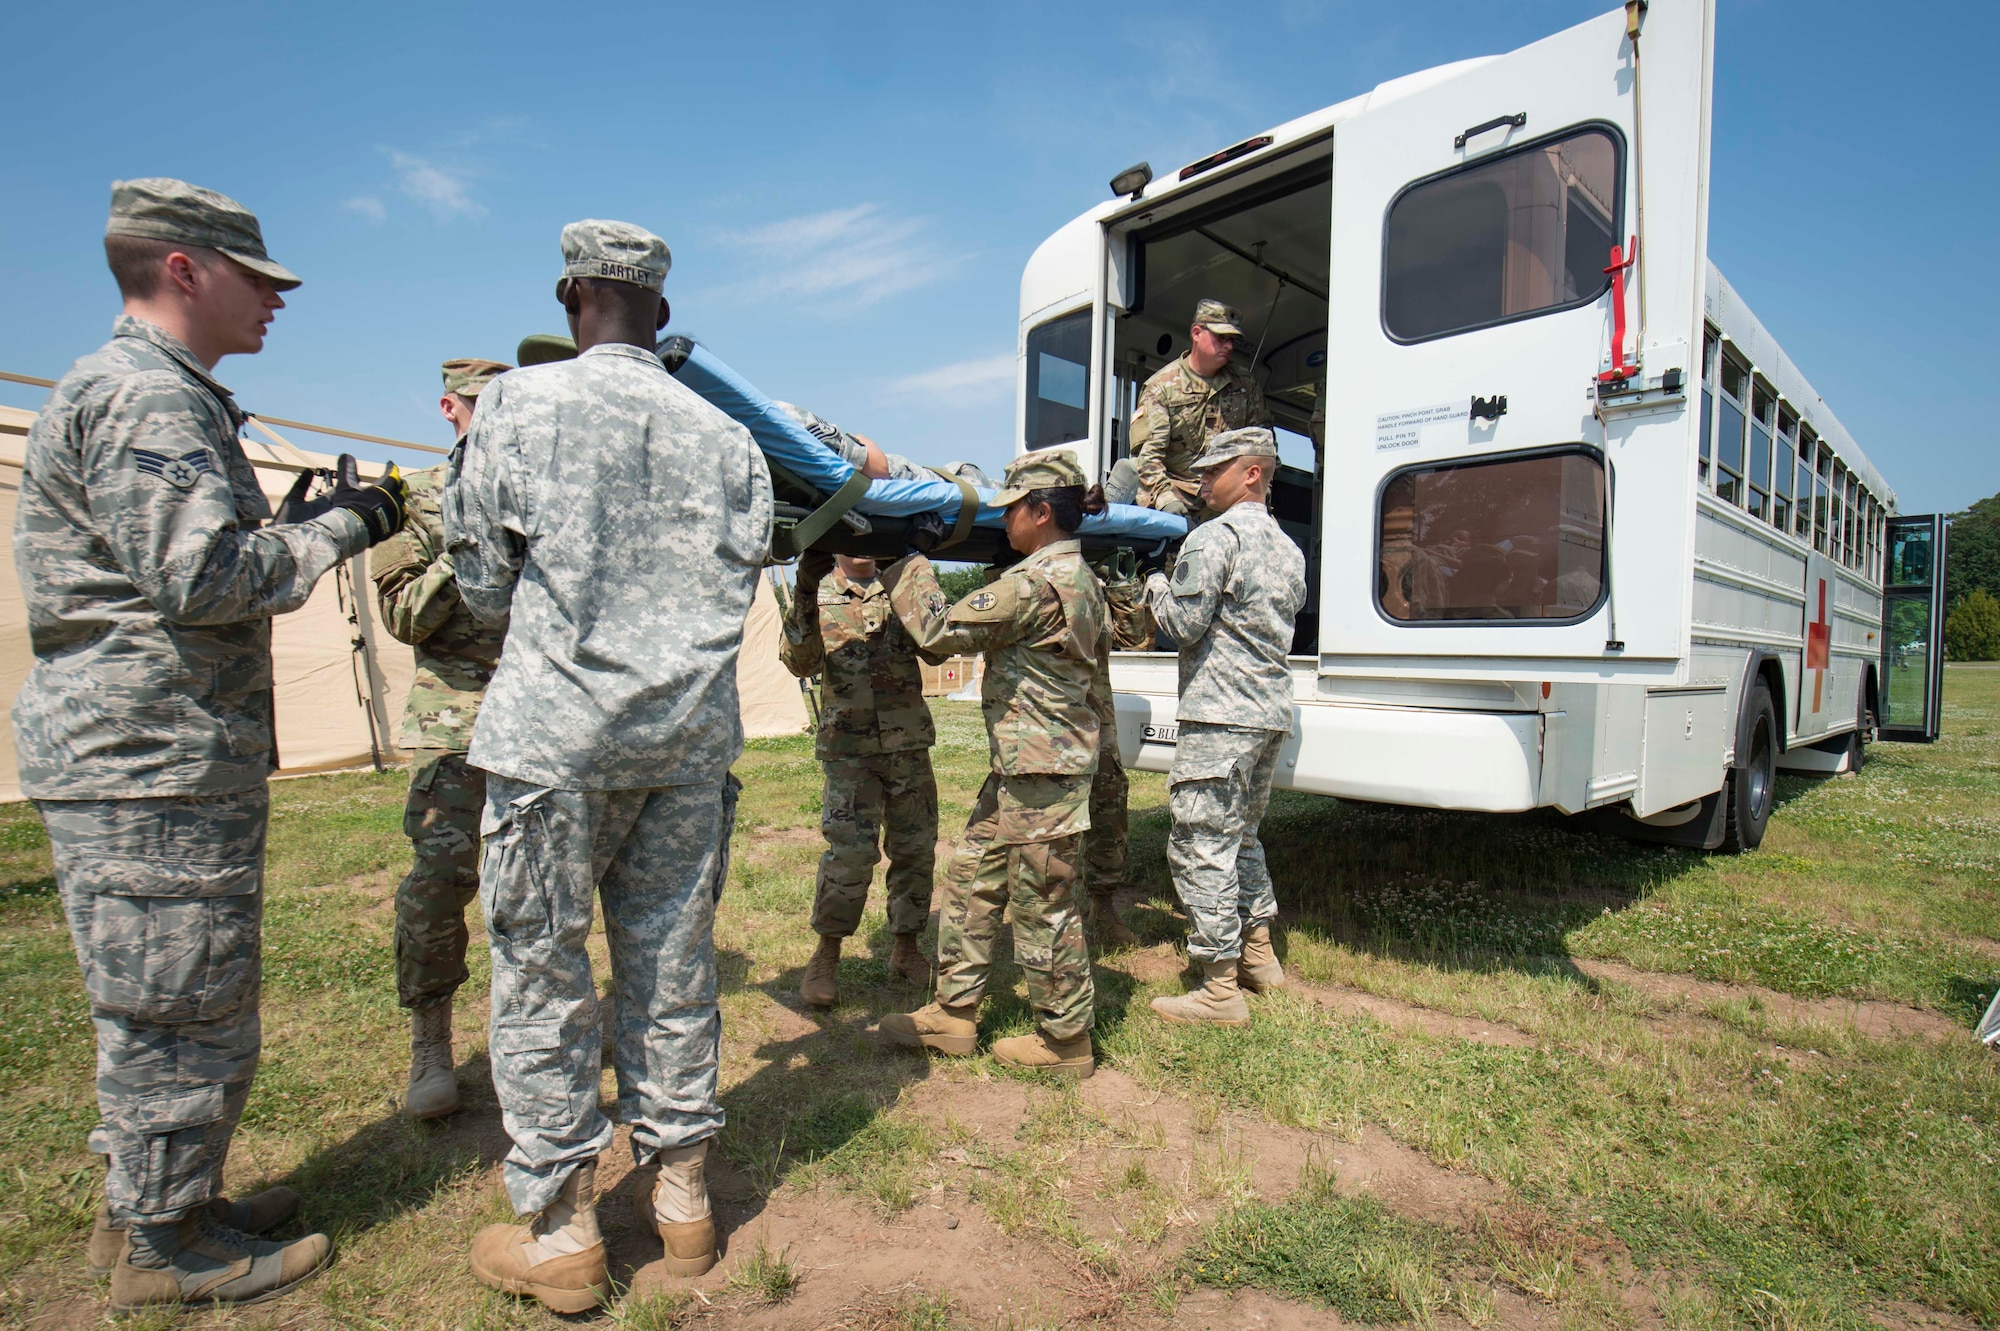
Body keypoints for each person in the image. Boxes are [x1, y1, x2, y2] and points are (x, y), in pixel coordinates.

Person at [14, 178, 406, 1312]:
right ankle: (160, 1245)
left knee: (164, 992)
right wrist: (342, 525)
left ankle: (166, 1199)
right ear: (184, 267)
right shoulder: (149, 398)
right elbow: (207, 578)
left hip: (151, 748)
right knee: (180, 999)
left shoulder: (146, 393)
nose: (277, 301)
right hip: (149, 756)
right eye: (259, 278)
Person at [444, 219, 773, 1311]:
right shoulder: (725, 436)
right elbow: (740, 593)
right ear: (661, 312)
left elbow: (481, 584)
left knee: (541, 973)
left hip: (555, 739)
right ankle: (682, 1197)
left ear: (571, 293)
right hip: (681, 742)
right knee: (671, 964)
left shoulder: (516, 406)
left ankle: (563, 1228)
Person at [876, 451, 1110, 1079]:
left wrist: (909, 558)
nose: (1005, 521)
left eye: (1013, 511)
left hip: (1041, 771)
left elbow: (935, 630)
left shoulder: (1035, 584)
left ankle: (1065, 1043)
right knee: (972, 874)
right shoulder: (1079, 578)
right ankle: (954, 1013)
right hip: (1023, 766)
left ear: (1041, 512)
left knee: (1043, 901)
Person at [370, 356, 512, 1120]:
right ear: (449, 409)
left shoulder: (541, 494)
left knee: (553, 884)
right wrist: (469, 538)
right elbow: (402, 617)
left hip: (542, 720)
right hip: (456, 723)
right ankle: (431, 1040)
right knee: (439, 882)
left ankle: (545, 1029)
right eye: (479, 406)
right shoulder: (409, 500)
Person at [1141, 427, 1306, 1026]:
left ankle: (1218, 986)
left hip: (1219, 715)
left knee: (1200, 843)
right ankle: (1260, 957)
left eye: (1215, 471)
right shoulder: (1289, 549)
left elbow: (1180, 627)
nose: (1202, 481)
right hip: (1267, 713)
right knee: (1241, 837)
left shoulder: (1213, 538)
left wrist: (1155, 580)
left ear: (1253, 473)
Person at [779, 548, 941, 1007]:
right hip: (849, 750)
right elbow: (800, 662)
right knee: (849, 854)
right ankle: (827, 954)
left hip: (907, 745)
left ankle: (906, 949)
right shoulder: (821, 592)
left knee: (914, 849)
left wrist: (913, 577)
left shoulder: (902, 587)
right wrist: (805, 592)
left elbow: (937, 647)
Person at [1122, 299, 1271, 516]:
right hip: (1180, 502)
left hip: (1233, 503)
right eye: (1221, 338)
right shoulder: (1161, 387)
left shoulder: (1245, 385)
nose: (1229, 346)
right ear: (1196, 333)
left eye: (1231, 340)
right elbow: (1147, 458)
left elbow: (1263, 449)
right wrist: (1167, 502)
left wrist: (1260, 498)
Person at [1080, 551, 1154, 948]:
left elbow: (1137, 638)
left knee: (1108, 803)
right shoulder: (1022, 574)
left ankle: (1102, 903)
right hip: (1040, 721)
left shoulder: (1095, 585)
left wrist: (1122, 582)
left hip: (1097, 717)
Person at [773, 401, 930, 482]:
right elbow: (879, 468)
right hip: (903, 475)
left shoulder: (753, 437)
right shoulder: (778, 416)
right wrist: (863, 439)